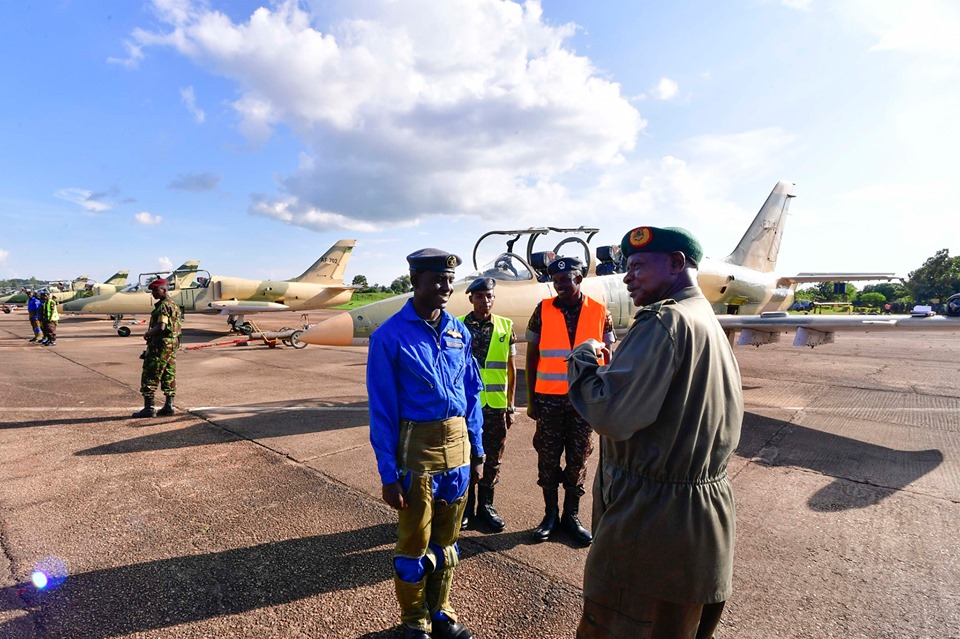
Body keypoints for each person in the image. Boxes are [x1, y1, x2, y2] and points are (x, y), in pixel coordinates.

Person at [567, 226, 744, 639]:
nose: (627, 277)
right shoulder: (706, 321)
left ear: (676, 264)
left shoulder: (663, 321)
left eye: (636, 266)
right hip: (700, 529)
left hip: (649, 530)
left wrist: (583, 360)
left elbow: (610, 413)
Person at [366, 249, 485, 639]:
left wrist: (477, 448)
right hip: (416, 451)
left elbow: (472, 393)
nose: (446, 287)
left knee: (448, 542)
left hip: (458, 450)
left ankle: (440, 612)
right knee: (414, 543)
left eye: (450, 280)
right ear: (414, 280)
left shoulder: (458, 331)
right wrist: (388, 473)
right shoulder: (389, 337)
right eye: (437, 279)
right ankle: (414, 621)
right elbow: (382, 408)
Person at [525, 256, 615, 546]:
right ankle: (550, 515)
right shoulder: (543, 309)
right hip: (549, 399)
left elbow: (608, 357)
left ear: (579, 279)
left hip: (584, 401)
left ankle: (571, 517)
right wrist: (531, 399)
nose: (560, 284)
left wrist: (604, 398)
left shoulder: (601, 312)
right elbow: (532, 354)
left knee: (578, 459)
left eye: (567, 279)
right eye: (556, 280)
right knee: (548, 458)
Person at [458, 276, 517, 532]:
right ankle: (466, 508)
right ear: (471, 298)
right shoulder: (457, 326)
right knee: (466, 457)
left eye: (489, 296)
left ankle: (487, 506)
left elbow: (511, 370)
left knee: (493, 458)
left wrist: (511, 405)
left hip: (495, 406)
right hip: (467, 407)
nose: (486, 301)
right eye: (480, 296)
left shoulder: (506, 326)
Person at [132, 279, 182, 418]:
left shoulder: (163, 306)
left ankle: (149, 408)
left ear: (164, 290)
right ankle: (169, 406)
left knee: (150, 374)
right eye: (152, 291)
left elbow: (161, 327)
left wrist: (147, 334)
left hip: (160, 345)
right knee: (168, 373)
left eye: (156, 290)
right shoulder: (173, 305)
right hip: (172, 344)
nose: (153, 293)